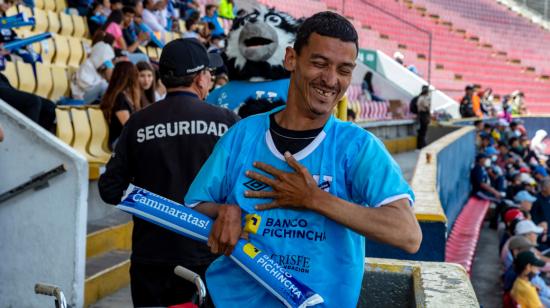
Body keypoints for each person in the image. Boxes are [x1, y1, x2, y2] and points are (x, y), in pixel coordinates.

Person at [184, 12, 422, 307]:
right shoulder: (243, 134)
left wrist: (314, 199)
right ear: (291, 59)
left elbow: (408, 234)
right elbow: (195, 205)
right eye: (319, 63)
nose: (331, 80)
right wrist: (225, 210)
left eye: (344, 69)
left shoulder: (358, 147)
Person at [98, 38, 239, 307]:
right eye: (209, 74)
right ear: (200, 79)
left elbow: (110, 189)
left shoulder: (138, 122)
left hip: (152, 259)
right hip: (208, 257)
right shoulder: (226, 121)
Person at [99, 61, 141, 149]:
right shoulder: (120, 98)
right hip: (118, 141)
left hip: (124, 140)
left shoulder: (123, 95)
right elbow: (128, 126)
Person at [415, 85, 431, 149]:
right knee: (423, 131)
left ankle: (420, 146)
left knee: (421, 131)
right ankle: (421, 146)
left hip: (421, 115)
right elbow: (426, 107)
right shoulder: (423, 98)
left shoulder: (420, 97)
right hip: (423, 115)